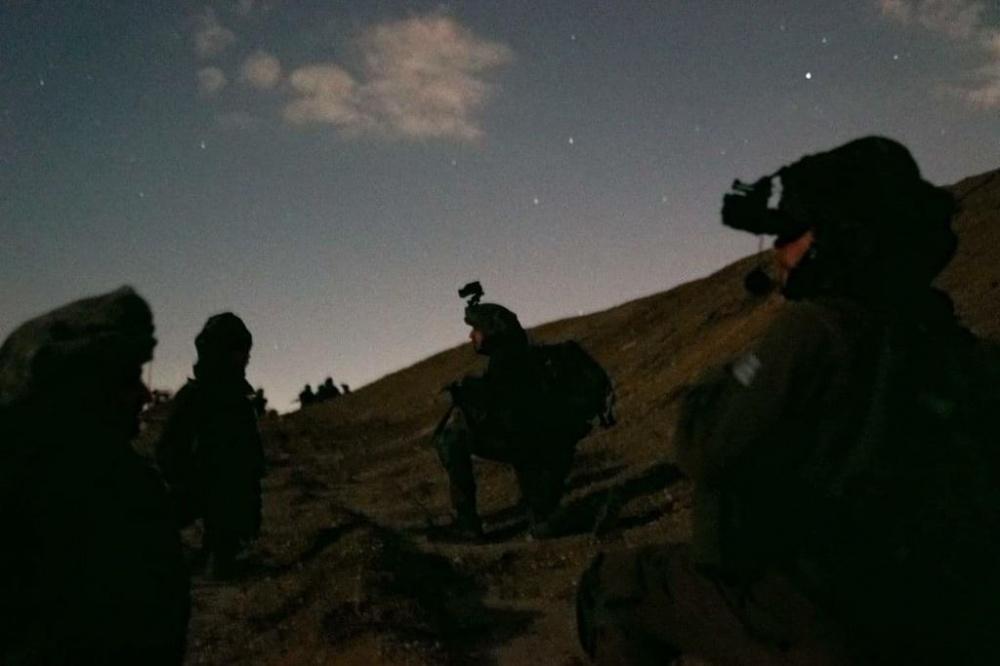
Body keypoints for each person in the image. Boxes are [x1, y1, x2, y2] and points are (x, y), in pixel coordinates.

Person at [577, 136, 1000, 665]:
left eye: (790, 233)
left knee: (617, 583)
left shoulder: (818, 330)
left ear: (831, 237)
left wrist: (723, 379)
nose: (779, 250)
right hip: (941, 619)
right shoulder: (957, 344)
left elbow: (706, 447)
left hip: (837, 620)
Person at [0, 287, 189, 664]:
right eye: (127, 379)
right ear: (82, 387)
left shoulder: (125, 479)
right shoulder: (39, 488)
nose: (143, 395)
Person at [435, 287, 613, 539]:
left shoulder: (511, 363)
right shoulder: (521, 357)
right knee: (543, 523)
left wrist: (468, 396)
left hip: (535, 449)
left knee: (450, 438)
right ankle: (578, 513)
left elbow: (510, 418)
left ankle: (467, 525)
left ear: (491, 331)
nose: (471, 336)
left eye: (476, 329)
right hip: (545, 449)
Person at [155, 313, 265, 579]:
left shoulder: (240, 401)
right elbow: (168, 450)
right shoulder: (195, 396)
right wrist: (190, 480)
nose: (246, 358)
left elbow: (252, 458)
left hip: (229, 497)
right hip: (196, 489)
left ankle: (222, 549)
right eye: (239, 351)